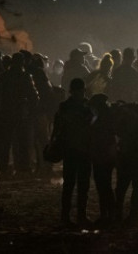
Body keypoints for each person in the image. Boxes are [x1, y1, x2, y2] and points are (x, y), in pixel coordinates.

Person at [51, 78, 92, 227]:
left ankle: (67, 216)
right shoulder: (87, 106)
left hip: (72, 150)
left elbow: (57, 128)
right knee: (80, 185)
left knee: (71, 185)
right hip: (81, 150)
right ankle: (80, 215)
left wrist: (53, 143)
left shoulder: (65, 106)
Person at [0, 52, 39, 177]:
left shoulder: (3, 76)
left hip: (5, 112)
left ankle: (3, 167)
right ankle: (23, 168)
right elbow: (33, 95)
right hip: (20, 112)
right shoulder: (25, 76)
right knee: (22, 141)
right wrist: (31, 109)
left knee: (5, 142)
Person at [112, 100, 138, 226]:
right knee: (137, 186)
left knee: (121, 186)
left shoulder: (122, 114)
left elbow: (116, 130)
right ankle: (133, 215)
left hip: (126, 152)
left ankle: (118, 214)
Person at [88, 93, 117, 227]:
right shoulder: (109, 118)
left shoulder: (100, 120)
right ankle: (109, 214)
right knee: (106, 186)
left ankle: (107, 215)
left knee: (103, 186)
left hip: (101, 156)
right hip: (106, 156)